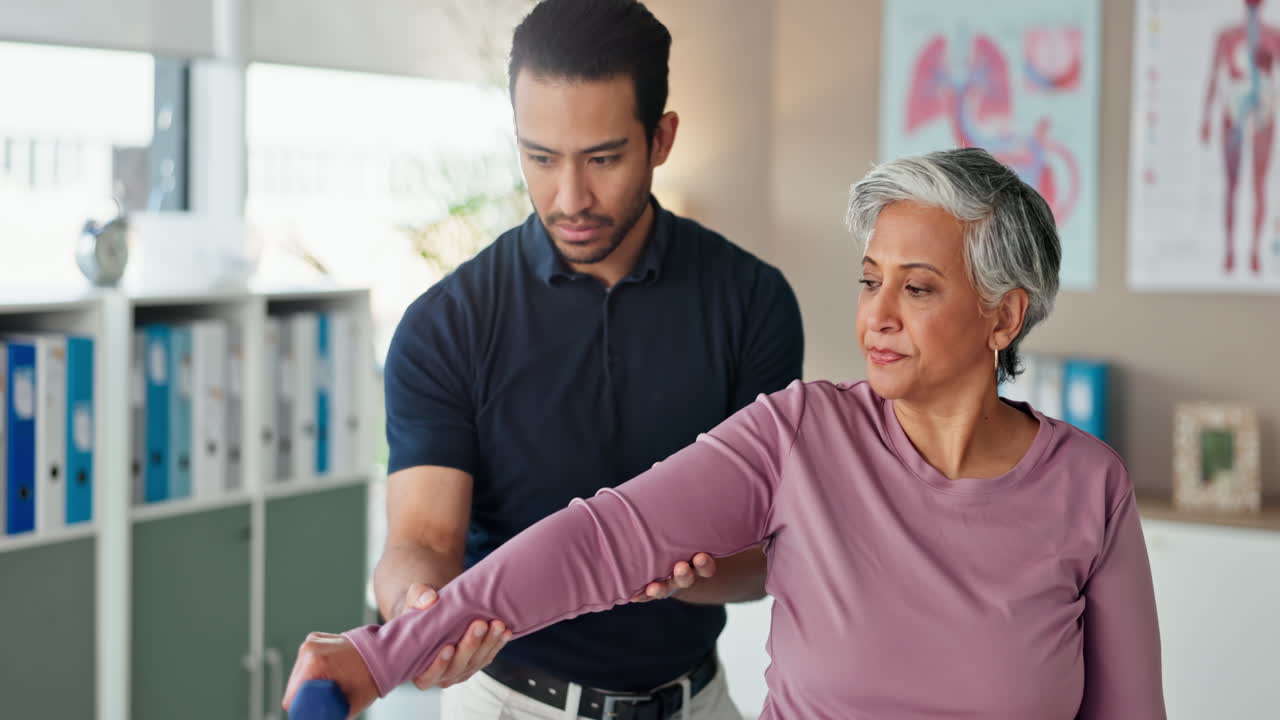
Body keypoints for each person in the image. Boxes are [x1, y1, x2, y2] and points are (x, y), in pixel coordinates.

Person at [285, 148, 1166, 719]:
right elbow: (605, 536)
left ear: (1004, 316)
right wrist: (376, 655)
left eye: (919, 287)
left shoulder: (1089, 488)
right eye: (870, 281)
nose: (878, 315)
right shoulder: (803, 433)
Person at [367, 0, 804, 717]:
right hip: (509, 704)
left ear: (660, 139)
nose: (570, 198)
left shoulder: (754, 302)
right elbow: (421, 538)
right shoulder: (445, 324)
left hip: (695, 702)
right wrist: (416, 608)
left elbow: (768, 557)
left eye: (602, 159)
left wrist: (686, 570)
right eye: (541, 158)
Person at [1200, 0, 1280, 274]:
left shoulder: (1273, 37)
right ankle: (1230, 250)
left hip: (1263, 112)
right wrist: (1206, 118)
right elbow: (1213, 76)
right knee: (1232, 186)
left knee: (1259, 185)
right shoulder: (1227, 36)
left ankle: (1255, 251)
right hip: (1234, 110)